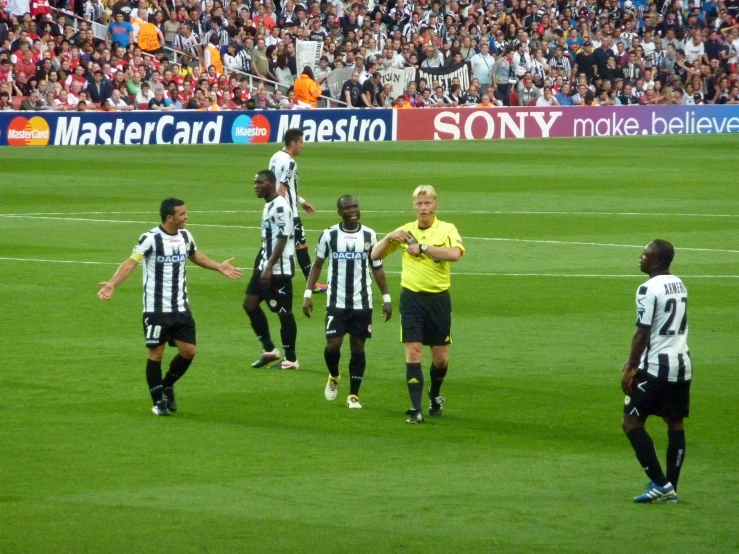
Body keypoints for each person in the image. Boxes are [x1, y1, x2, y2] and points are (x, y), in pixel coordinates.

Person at [97, 198, 243, 416]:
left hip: (181, 307)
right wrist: (112, 284)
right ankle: (158, 403)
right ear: (169, 217)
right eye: (182, 214)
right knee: (156, 355)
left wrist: (218, 267)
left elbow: (195, 255)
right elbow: (131, 262)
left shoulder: (185, 236)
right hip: (156, 309)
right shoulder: (151, 239)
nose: (187, 216)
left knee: (189, 351)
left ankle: (167, 385)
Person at [370, 185, 465, 424]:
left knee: (440, 357)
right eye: (419, 204)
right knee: (413, 352)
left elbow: (455, 254)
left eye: (427, 203)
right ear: (413, 206)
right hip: (412, 299)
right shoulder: (404, 231)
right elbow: (374, 255)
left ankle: (434, 394)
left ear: (435, 205)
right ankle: (416, 409)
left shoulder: (446, 229)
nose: (423, 208)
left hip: (438, 299)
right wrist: (389, 237)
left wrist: (423, 247)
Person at [303, 195, 392, 409]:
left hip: (362, 302)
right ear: (339, 212)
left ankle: (354, 395)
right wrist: (307, 293)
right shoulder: (329, 235)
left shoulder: (370, 235)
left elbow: (377, 267)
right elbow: (317, 264)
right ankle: (334, 375)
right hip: (336, 300)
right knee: (333, 346)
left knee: (358, 347)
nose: (352, 210)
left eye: (355, 206)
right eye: (347, 207)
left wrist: (387, 297)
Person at [621, 239, 691, 503]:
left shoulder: (647, 289)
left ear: (657, 262)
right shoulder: (679, 283)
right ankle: (670, 489)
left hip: (656, 368)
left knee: (630, 423)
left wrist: (630, 367)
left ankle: (661, 484)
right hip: (682, 363)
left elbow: (643, 331)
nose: (641, 257)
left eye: (646, 254)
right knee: (674, 422)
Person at [244, 170, 300, 370]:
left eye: (260, 182)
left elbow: (283, 239)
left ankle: (291, 360)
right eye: (255, 182)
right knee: (249, 304)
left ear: (271, 184)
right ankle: (269, 350)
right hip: (265, 267)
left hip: (278, 270)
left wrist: (268, 268)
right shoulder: (269, 205)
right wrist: (261, 265)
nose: (256, 186)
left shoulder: (280, 207)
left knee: (284, 313)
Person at [269, 128, 327, 292]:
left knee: (284, 245)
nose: (303, 145)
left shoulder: (275, 157)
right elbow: (282, 189)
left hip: (278, 209)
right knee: (299, 245)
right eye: (301, 142)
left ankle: (269, 278)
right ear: (293, 143)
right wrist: (284, 212)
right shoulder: (290, 163)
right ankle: (312, 283)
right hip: (287, 213)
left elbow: (277, 187)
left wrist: (302, 202)